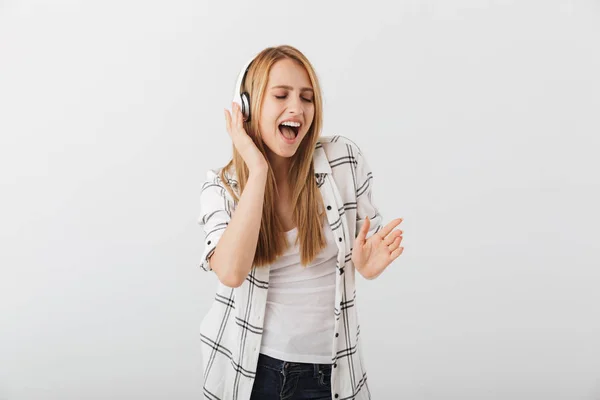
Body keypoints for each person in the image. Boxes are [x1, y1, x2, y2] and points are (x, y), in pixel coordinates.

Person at [197, 45, 404, 400]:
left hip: (336, 372)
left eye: (307, 98)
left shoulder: (343, 160)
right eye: (281, 95)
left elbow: (364, 246)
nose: (297, 108)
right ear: (246, 108)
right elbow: (231, 273)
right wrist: (258, 168)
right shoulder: (221, 187)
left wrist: (366, 266)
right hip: (257, 374)